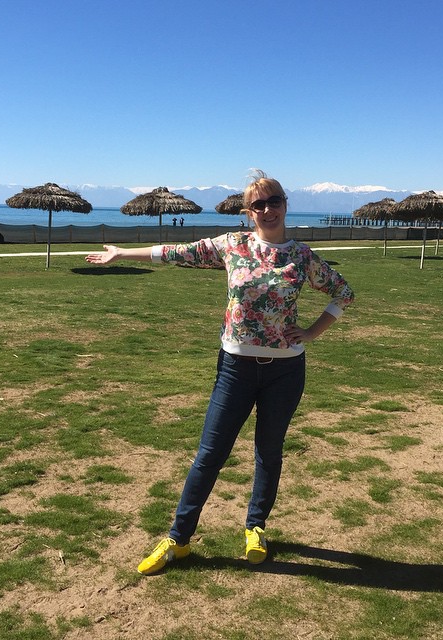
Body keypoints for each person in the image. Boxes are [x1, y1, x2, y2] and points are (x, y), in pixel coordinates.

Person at [84, 170, 354, 575]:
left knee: (269, 452)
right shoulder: (233, 246)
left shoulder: (301, 256)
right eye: (258, 204)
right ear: (248, 212)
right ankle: (178, 539)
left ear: (285, 204)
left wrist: (313, 331)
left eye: (274, 201)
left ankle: (255, 528)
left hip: (285, 371)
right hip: (236, 369)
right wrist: (122, 254)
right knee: (210, 454)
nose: (267, 209)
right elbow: (176, 253)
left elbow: (344, 292)